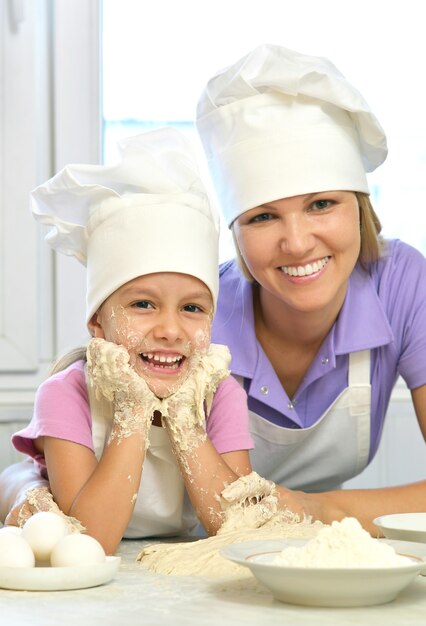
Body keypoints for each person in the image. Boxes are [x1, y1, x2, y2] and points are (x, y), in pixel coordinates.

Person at [195, 44, 426, 533]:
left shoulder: (403, 284)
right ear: (234, 230)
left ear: (360, 206)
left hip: (306, 546)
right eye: (262, 216)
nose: (297, 243)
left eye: (321, 204)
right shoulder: (197, 312)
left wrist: (319, 510)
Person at [0, 128, 254, 554]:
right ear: (98, 323)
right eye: (143, 304)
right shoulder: (67, 394)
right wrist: (134, 410)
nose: (171, 330)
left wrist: (186, 418)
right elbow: (91, 538)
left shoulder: (222, 396)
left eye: (192, 308)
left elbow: (232, 527)